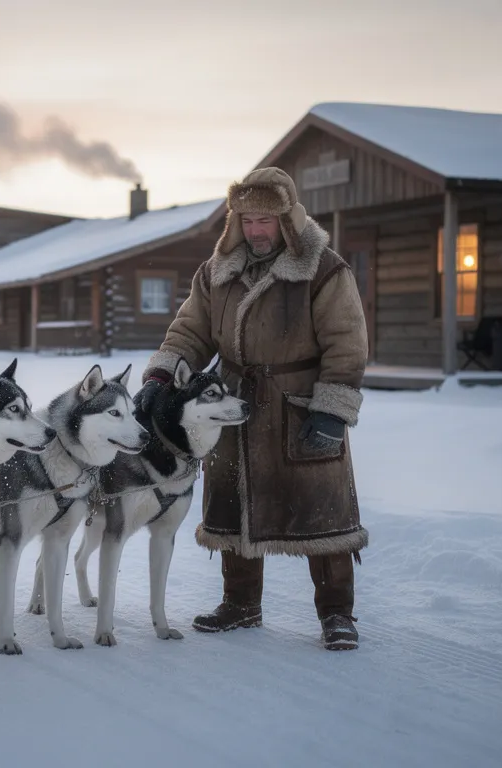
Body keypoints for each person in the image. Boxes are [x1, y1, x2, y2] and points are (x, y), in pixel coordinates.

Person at [135, 166, 368, 650]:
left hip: (300, 405)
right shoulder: (216, 273)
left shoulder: (324, 270)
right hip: (231, 402)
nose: (256, 230)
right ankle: (241, 603)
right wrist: (161, 375)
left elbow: (347, 343)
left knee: (321, 513)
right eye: (246, 220)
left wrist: (330, 411)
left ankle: (337, 614)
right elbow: (190, 332)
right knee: (233, 501)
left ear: (288, 218)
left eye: (265, 220)